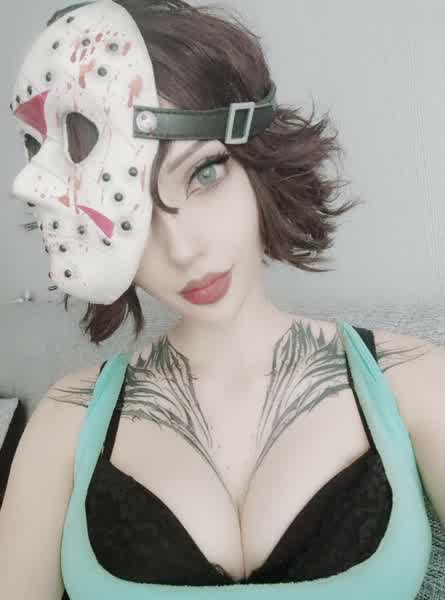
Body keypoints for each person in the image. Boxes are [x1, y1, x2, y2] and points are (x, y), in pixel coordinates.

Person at [0, 1, 442, 598]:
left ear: (258, 160)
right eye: (131, 213)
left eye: (204, 173)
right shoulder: (66, 421)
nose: (183, 250)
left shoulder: (415, 381)